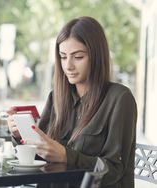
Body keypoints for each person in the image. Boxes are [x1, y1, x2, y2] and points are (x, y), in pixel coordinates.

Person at [7, 16, 137, 188]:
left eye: (78, 57)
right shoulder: (56, 97)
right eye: (63, 56)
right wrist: (20, 136)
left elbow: (114, 170)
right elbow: (39, 159)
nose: (68, 65)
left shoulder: (120, 98)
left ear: (96, 56)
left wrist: (66, 156)